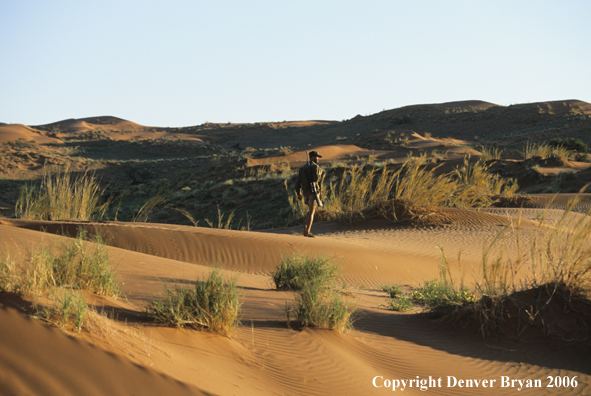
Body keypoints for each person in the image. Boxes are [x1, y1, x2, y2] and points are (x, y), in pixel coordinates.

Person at [294, 150, 324, 237]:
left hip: (305, 193)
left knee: (309, 211)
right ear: (313, 157)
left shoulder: (302, 168)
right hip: (313, 192)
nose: (318, 159)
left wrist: (298, 193)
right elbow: (316, 179)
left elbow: (297, 183)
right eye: (317, 157)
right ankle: (307, 232)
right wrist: (320, 174)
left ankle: (305, 228)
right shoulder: (315, 167)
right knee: (312, 212)